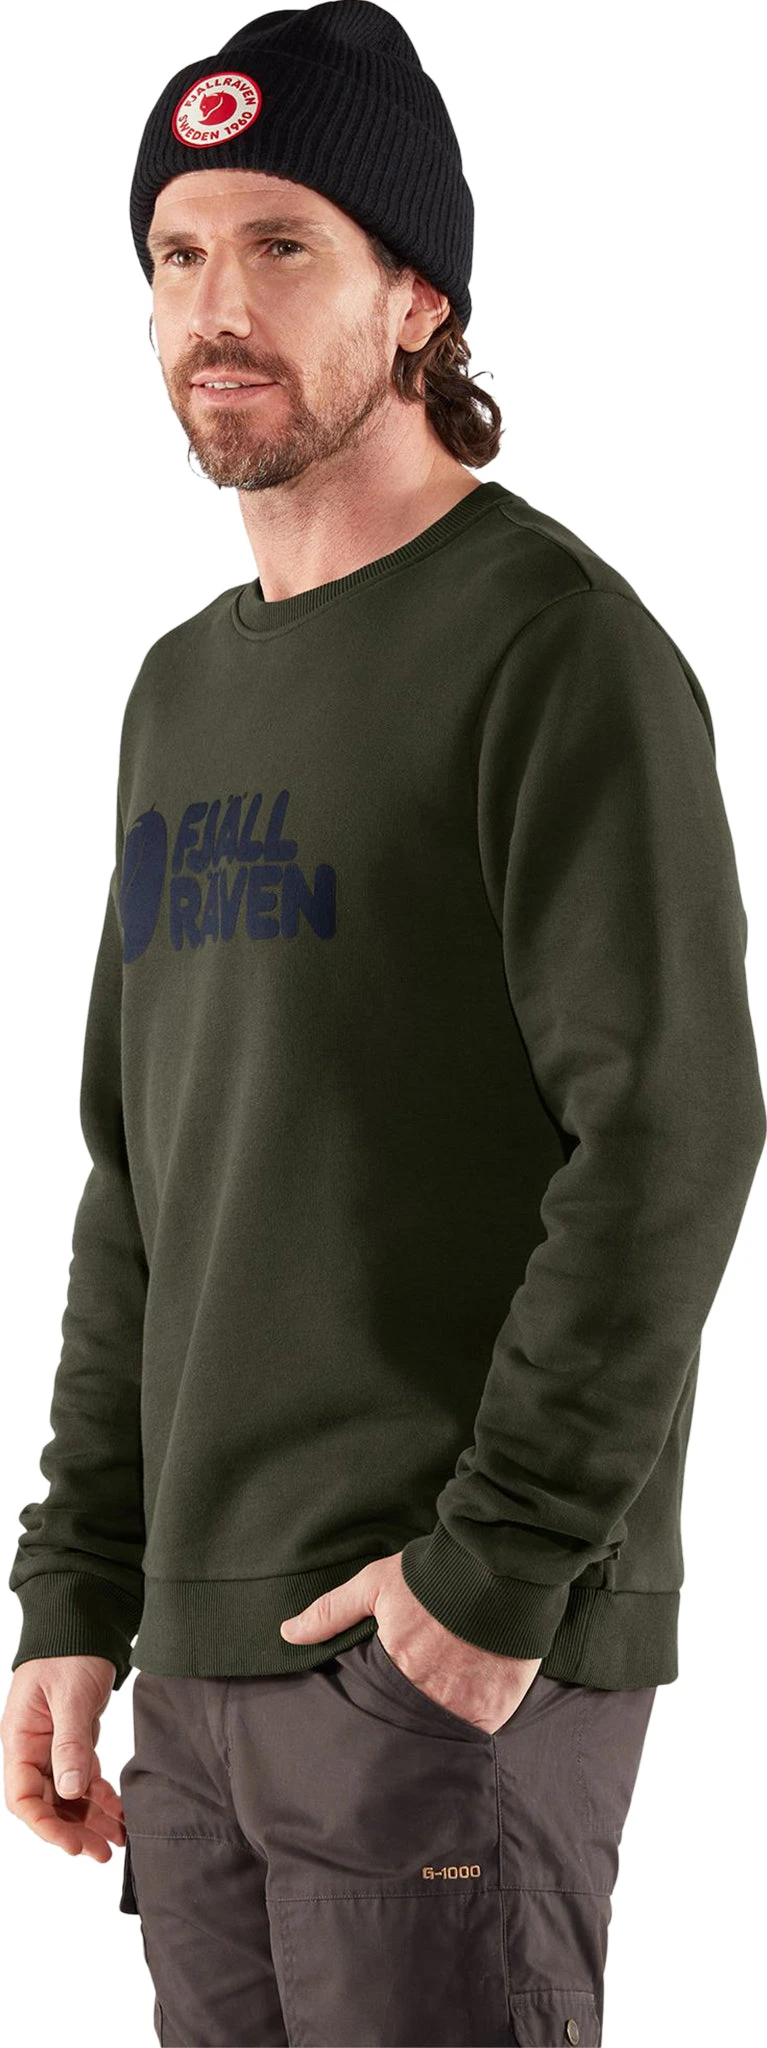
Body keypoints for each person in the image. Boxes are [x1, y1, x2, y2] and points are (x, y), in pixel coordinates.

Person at [2, 4, 764, 2044]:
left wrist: (489, 1578)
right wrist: (79, 1589)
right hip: (202, 1667)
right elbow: (141, 1173)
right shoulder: (180, 690)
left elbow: (670, 1132)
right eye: (176, 254)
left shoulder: (551, 654)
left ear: (416, 296)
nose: (214, 308)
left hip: (433, 1657)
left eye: (281, 247)